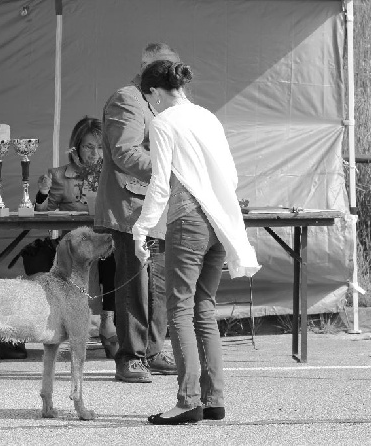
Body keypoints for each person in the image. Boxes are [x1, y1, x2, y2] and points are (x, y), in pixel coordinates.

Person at [132, 60, 261, 424]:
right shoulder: (207, 116)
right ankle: (214, 398)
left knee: (180, 309)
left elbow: (159, 185)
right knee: (203, 306)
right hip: (221, 221)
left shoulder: (163, 123)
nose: (149, 106)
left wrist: (141, 229)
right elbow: (231, 174)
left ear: (156, 91)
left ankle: (188, 401)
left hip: (188, 221)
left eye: (147, 98)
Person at [95, 43, 180, 382]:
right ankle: (129, 357)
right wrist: (172, 172)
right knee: (134, 282)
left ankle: (154, 351)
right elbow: (124, 153)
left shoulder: (166, 102)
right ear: (146, 66)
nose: (171, 75)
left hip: (159, 206)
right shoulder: (127, 98)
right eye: (163, 67)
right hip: (131, 207)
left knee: (159, 283)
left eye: (174, 68)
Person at [35, 116, 118, 359]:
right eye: (88, 146)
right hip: (74, 243)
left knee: (113, 256)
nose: (95, 153)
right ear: (76, 148)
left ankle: (108, 323)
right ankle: (66, 325)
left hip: (104, 239)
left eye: (101, 147)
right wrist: (42, 192)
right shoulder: (59, 175)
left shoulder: (113, 174)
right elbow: (41, 211)